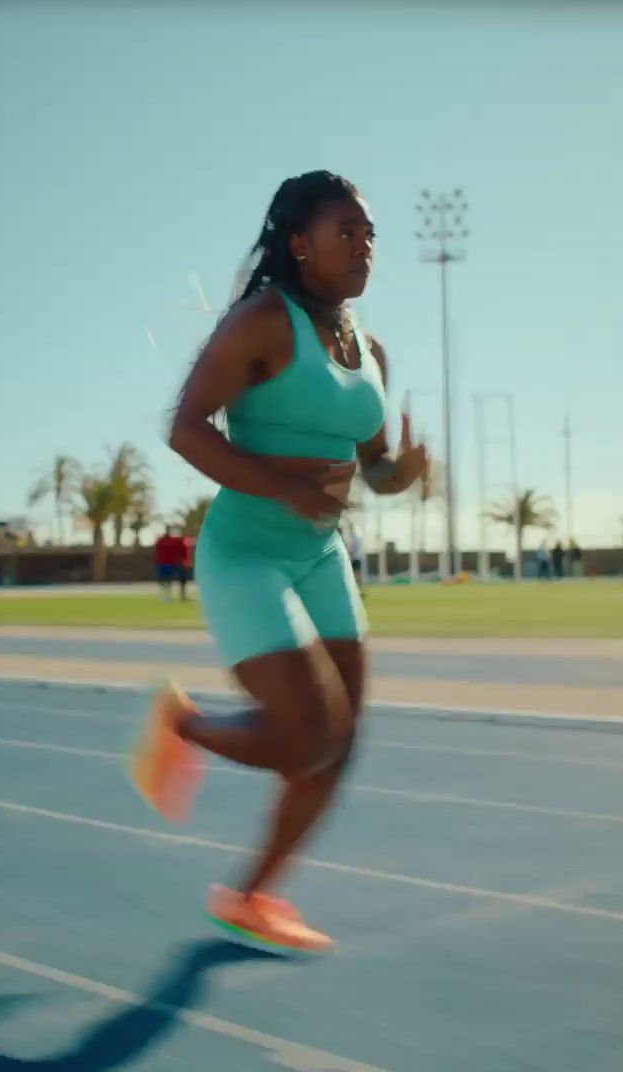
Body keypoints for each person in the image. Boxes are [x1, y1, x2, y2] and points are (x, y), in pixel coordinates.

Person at [127, 170, 427, 951]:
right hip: (247, 552)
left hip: (321, 554)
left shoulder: (374, 352)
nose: (364, 247)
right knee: (305, 736)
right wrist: (280, 489)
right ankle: (182, 725)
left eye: (371, 236)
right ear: (300, 244)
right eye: (347, 232)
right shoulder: (263, 322)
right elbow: (186, 427)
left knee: (341, 740)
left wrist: (404, 475)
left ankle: (250, 897)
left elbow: (375, 466)